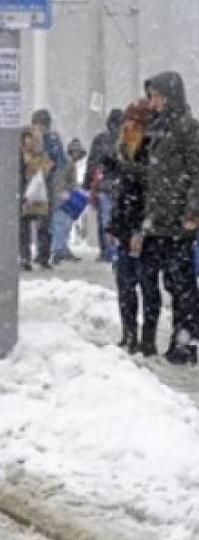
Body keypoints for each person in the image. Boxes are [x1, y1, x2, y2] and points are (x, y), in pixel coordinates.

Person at [140, 72, 199, 364]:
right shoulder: (157, 129)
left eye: (157, 96)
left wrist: (192, 212)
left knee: (182, 285)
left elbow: (197, 173)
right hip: (159, 222)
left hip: (178, 221)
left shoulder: (188, 128)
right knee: (168, 283)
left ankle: (186, 342)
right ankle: (179, 340)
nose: (153, 102)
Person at [103, 100, 159, 355]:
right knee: (125, 283)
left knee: (147, 283)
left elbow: (150, 185)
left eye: (132, 121)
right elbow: (121, 190)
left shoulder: (152, 147)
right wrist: (114, 225)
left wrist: (142, 229)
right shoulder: (123, 147)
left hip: (145, 226)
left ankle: (148, 338)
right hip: (125, 224)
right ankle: (128, 334)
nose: (126, 125)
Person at [85, 108, 125, 263]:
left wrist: (88, 182)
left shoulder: (100, 139)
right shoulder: (127, 138)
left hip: (104, 185)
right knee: (119, 218)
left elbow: (92, 163)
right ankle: (116, 249)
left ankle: (106, 251)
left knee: (105, 219)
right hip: (122, 187)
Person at [29, 109, 67, 268]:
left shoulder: (52, 139)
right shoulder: (29, 138)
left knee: (45, 221)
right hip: (31, 185)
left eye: (42, 124)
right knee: (28, 220)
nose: (40, 128)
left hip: (46, 184)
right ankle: (26, 255)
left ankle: (43, 255)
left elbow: (61, 161)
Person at [19, 124, 54, 271]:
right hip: (24, 195)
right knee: (23, 228)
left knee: (44, 227)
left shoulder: (43, 156)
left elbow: (49, 170)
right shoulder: (18, 155)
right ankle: (25, 257)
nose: (28, 142)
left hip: (40, 196)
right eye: (25, 138)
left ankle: (43, 257)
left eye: (31, 138)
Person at [51, 138, 87, 264]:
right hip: (62, 199)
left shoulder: (62, 161)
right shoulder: (68, 163)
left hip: (57, 197)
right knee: (61, 225)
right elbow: (69, 183)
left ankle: (61, 250)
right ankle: (60, 251)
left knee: (60, 226)